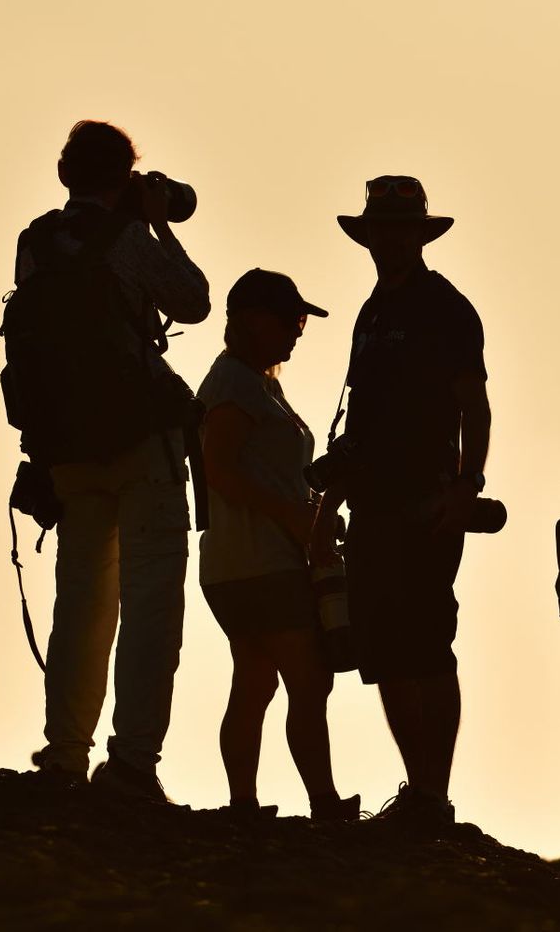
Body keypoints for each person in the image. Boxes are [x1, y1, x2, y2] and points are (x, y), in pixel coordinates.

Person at [17, 121, 210, 799]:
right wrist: (158, 223)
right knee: (150, 604)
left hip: (67, 445)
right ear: (125, 178)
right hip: (138, 442)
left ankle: (65, 751)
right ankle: (131, 762)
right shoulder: (129, 238)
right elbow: (194, 300)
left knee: (79, 604)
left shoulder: (36, 242)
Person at [311, 175, 491, 833]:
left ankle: (431, 795)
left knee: (427, 644)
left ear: (417, 235)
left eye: (396, 228)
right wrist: (331, 502)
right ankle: (420, 791)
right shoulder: (373, 311)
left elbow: (474, 404)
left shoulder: (445, 308)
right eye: (379, 228)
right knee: (383, 647)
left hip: (425, 500)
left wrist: (465, 487)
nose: (386, 239)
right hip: (373, 503)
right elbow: (358, 420)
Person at [198, 269, 359, 821]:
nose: (298, 331)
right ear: (252, 322)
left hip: (238, 563)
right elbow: (219, 469)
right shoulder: (235, 386)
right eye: (290, 320)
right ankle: (324, 803)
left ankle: (244, 802)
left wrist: (310, 512)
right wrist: (294, 515)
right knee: (306, 681)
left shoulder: (255, 384)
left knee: (255, 680)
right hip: (260, 560)